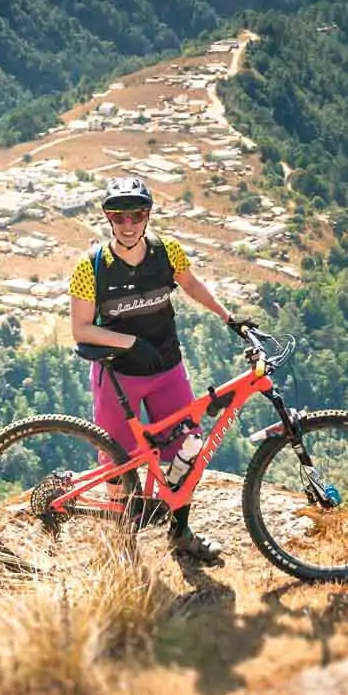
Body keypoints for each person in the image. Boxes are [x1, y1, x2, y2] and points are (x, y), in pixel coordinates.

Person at [68, 174, 255, 567]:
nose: (128, 224)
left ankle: (180, 534)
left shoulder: (167, 251)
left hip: (167, 369)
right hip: (118, 377)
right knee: (118, 464)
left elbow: (191, 284)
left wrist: (228, 317)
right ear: (108, 218)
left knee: (187, 449)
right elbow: (81, 329)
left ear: (147, 215)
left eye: (136, 214)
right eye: (119, 217)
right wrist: (132, 343)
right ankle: (121, 547)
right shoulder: (92, 267)